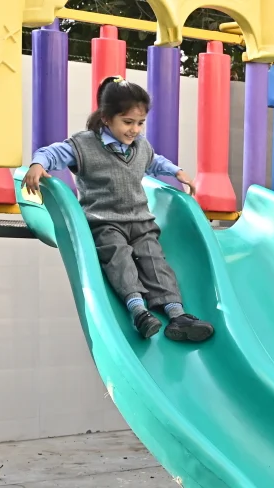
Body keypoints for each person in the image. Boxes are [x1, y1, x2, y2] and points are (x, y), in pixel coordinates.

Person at [24, 77, 214, 342]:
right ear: (106, 118)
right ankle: (138, 311)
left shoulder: (141, 146)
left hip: (141, 221)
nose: (134, 129)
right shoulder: (84, 145)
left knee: (155, 261)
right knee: (119, 259)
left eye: (140, 123)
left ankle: (177, 315)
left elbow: (154, 161)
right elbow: (53, 152)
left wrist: (176, 171)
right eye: (127, 122)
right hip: (105, 222)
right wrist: (38, 164)